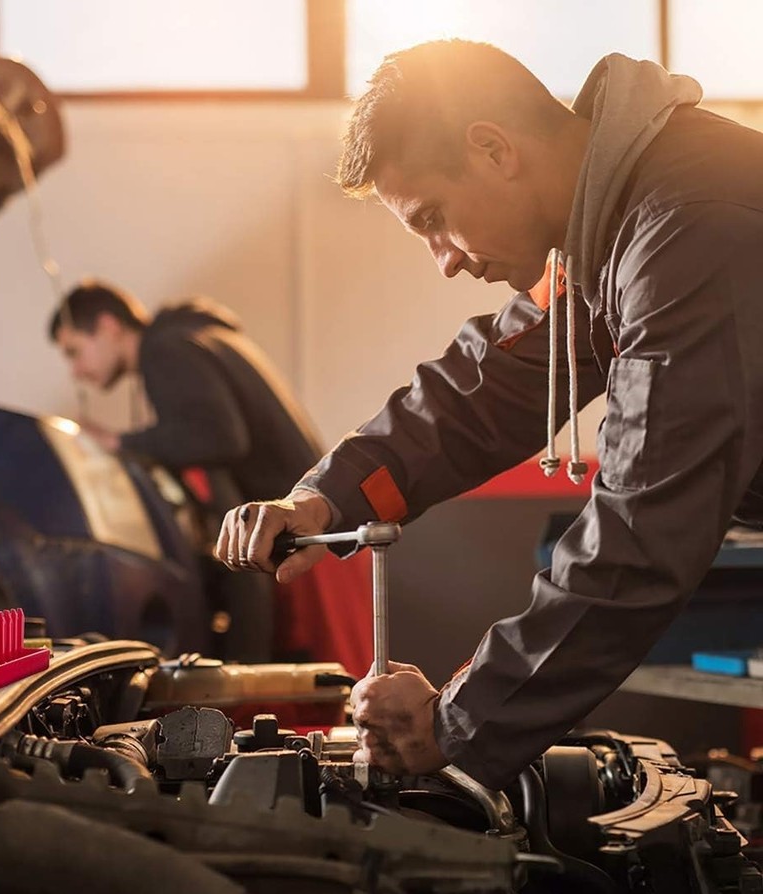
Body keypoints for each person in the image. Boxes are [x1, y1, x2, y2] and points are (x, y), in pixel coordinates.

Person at [216, 38, 763, 790]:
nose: (443, 259)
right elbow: (486, 385)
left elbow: (642, 530)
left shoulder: (685, 227)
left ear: (493, 148)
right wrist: (325, 500)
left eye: (435, 217)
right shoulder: (616, 226)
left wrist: (457, 721)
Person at [50, 282, 373, 670]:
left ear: (107, 326)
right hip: (319, 531)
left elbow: (218, 437)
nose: (76, 371)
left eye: (74, 351)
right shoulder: (194, 337)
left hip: (307, 542)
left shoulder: (165, 349)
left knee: (328, 695)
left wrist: (115, 441)